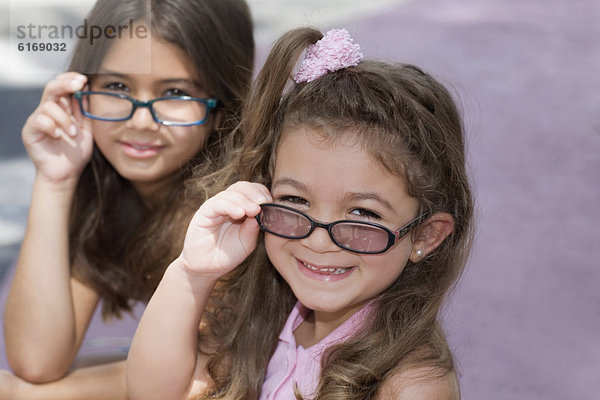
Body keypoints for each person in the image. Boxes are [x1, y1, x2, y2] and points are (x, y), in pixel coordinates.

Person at [127, 27, 474, 400]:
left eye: (363, 213)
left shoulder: (412, 387)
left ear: (424, 235)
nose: (318, 240)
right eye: (296, 201)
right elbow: (153, 393)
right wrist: (190, 274)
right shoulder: (270, 313)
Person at [1, 0, 254, 399]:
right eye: (117, 87)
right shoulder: (107, 191)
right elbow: (37, 358)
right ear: (79, 91)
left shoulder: (233, 213)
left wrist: (27, 397)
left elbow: (207, 373)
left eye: (174, 92)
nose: (140, 121)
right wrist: (54, 180)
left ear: (223, 108)